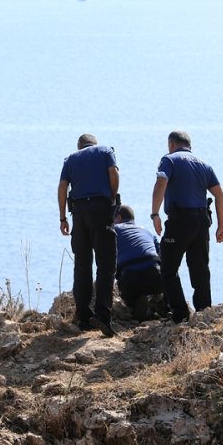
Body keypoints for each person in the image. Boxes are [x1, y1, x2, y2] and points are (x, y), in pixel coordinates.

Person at [150, 130, 223, 323]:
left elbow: (161, 183)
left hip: (179, 220)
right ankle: (203, 313)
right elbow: (220, 195)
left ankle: (180, 313)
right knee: (200, 268)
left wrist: (155, 213)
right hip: (201, 222)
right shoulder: (204, 164)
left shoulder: (169, 160)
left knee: (168, 267)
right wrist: (222, 226)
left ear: (171, 144)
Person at [58, 133, 119, 337]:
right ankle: (102, 314)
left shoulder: (71, 159)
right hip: (100, 210)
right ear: (94, 143)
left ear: (79, 145)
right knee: (106, 264)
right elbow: (113, 173)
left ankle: (84, 317)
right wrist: (111, 198)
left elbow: (62, 187)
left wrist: (62, 218)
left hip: (79, 214)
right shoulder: (105, 151)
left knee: (82, 265)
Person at [113, 204, 164, 321]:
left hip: (131, 278)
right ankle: (160, 303)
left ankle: (135, 305)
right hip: (154, 274)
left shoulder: (114, 230)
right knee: (159, 284)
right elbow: (162, 256)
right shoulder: (147, 232)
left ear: (119, 218)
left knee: (130, 301)